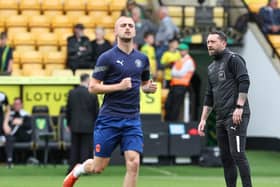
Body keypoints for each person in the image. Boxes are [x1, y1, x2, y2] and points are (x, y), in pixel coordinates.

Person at [63, 16, 157, 187]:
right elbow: (92, 87)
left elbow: (143, 84)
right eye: (123, 25)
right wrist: (118, 86)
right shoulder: (106, 57)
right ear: (115, 31)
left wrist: (147, 88)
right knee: (98, 167)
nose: (127, 28)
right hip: (109, 119)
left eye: (130, 25)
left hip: (132, 119)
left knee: (134, 162)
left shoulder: (142, 59)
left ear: (135, 31)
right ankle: (78, 170)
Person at [197, 31, 252, 187]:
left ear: (224, 43)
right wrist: (203, 119)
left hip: (236, 115)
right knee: (226, 158)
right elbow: (209, 95)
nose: (209, 45)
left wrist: (239, 107)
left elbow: (244, 81)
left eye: (213, 41)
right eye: (208, 42)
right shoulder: (211, 67)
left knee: (238, 154)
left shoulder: (234, 59)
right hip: (221, 118)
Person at [66, 73, 99, 173]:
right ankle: (84, 168)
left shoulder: (72, 92)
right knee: (86, 148)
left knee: (74, 147)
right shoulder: (92, 93)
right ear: (88, 80)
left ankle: (72, 168)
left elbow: (68, 109)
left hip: (74, 124)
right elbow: (96, 110)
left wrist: (68, 123)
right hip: (88, 124)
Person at [164, 43, 196, 121]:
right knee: (168, 104)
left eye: (182, 50)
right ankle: (168, 122)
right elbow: (173, 73)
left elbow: (180, 73)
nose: (181, 52)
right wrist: (176, 73)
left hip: (182, 86)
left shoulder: (189, 61)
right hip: (174, 85)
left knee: (176, 106)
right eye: (180, 50)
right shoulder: (179, 60)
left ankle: (172, 123)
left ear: (186, 51)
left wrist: (175, 73)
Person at [2, 97, 31, 168]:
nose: (16, 105)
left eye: (18, 104)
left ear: (22, 105)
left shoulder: (26, 114)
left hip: (24, 135)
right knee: (9, 137)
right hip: (12, 136)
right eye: (15, 104)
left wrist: (21, 122)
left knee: (16, 127)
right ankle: (9, 160)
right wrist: (7, 118)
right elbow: (5, 127)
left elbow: (29, 126)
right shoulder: (10, 114)